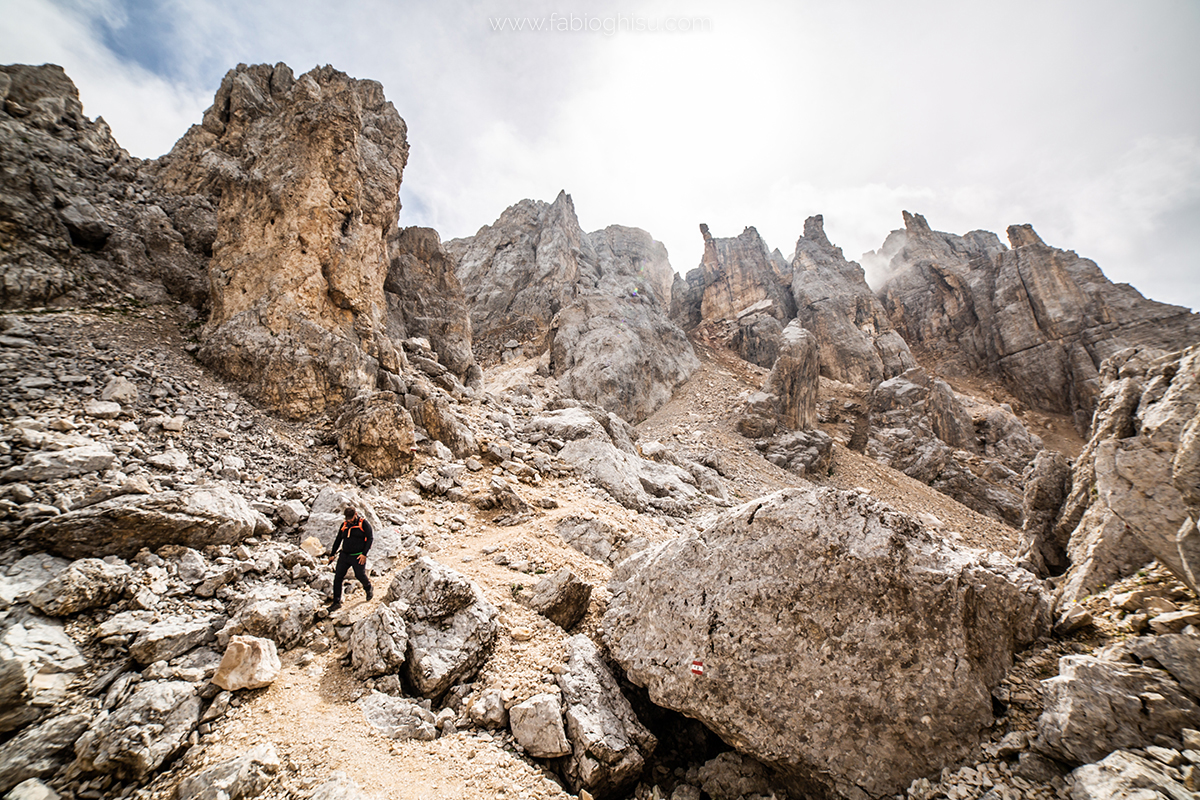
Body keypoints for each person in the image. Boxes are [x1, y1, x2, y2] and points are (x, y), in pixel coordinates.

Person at [326, 506, 373, 610]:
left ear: (355, 514)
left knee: (359, 575)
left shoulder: (363, 523)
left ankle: (368, 587)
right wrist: (332, 554)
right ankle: (336, 602)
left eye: (351, 518)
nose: (349, 520)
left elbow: (370, 538)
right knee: (338, 577)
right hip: (345, 555)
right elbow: (338, 539)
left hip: (358, 555)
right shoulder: (344, 525)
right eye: (347, 518)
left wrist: (364, 554)